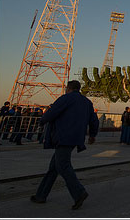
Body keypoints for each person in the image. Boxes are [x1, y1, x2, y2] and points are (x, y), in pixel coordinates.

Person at [30, 80, 98, 210]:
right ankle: (41, 195)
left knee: (63, 166)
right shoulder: (87, 102)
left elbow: (52, 112)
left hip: (63, 137)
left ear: (68, 88)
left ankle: (79, 193)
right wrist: (93, 135)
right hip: (76, 138)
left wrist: (41, 121)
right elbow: (93, 120)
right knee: (54, 167)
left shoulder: (65, 98)